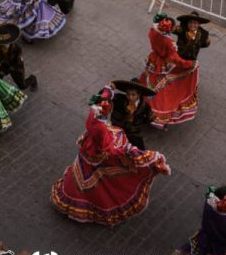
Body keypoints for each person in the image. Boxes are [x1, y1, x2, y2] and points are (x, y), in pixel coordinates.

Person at [51, 87, 170, 226]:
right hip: (97, 156)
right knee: (99, 184)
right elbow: (109, 148)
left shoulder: (93, 116)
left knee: (80, 179)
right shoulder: (101, 128)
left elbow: (103, 98)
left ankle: (72, 200)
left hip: (86, 152)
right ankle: (95, 205)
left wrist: (108, 89)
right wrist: (129, 151)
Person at [136, 13, 200, 128]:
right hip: (163, 64)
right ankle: (158, 114)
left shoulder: (153, 31)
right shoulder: (168, 43)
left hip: (154, 59)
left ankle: (143, 101)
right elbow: (176, 59)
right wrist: (190, 64)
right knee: (163, 89)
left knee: (149, 78)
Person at [0, 23, 37, 91]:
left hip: (16, 68)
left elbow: (18, 63)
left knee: (22, 86)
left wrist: (6, 71)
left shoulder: (17, 48)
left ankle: (32, 78)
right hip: (4, 65)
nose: (1, 43)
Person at [109, 79, 155, 150]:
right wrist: (109, 89)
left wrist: (140, 122)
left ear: (139, 95)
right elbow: (98, 99)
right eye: (128, 94)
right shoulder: (118, 99)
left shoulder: (145, 106)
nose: (130, 97)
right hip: (117, 129)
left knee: (140, 151)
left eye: (133, 95)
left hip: (133, 132)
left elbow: (150, 118)